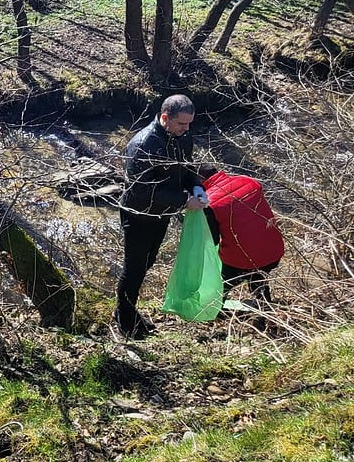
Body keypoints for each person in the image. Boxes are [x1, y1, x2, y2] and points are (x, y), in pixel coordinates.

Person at [116, 94, 208, 339]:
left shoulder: (182, 136)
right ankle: (125, 321)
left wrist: (197, 187)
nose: (187, 129)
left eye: (189, 124)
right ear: (165, 117)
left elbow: (186, 167)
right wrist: (183, 200)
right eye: (182, 124)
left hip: (161, 214)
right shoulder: (144, 145)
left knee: (148, 263)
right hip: (138, 214)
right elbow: (143, 189)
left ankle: (129, 310)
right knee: (134, 269)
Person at [198, 165, 285, 305]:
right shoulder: (249, 182)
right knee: (257, 278)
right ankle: (266, 313)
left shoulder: (210, 203)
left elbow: (212, 240)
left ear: (200, 181)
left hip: (242, 259)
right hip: (273, 250)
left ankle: (214, 310)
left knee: (222, 284)